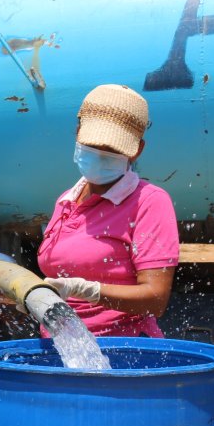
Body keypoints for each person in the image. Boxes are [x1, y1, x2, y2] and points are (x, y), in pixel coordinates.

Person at [34, 83, 180, 336]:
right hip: (60, 347)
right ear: (77, 134)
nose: (100, 155)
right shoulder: (66, 200)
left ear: (137, 150)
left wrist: (85, 290)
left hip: (123, 347)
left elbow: (155, 300)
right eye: (92, 146)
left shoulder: (149, 201)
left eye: (111, 150)